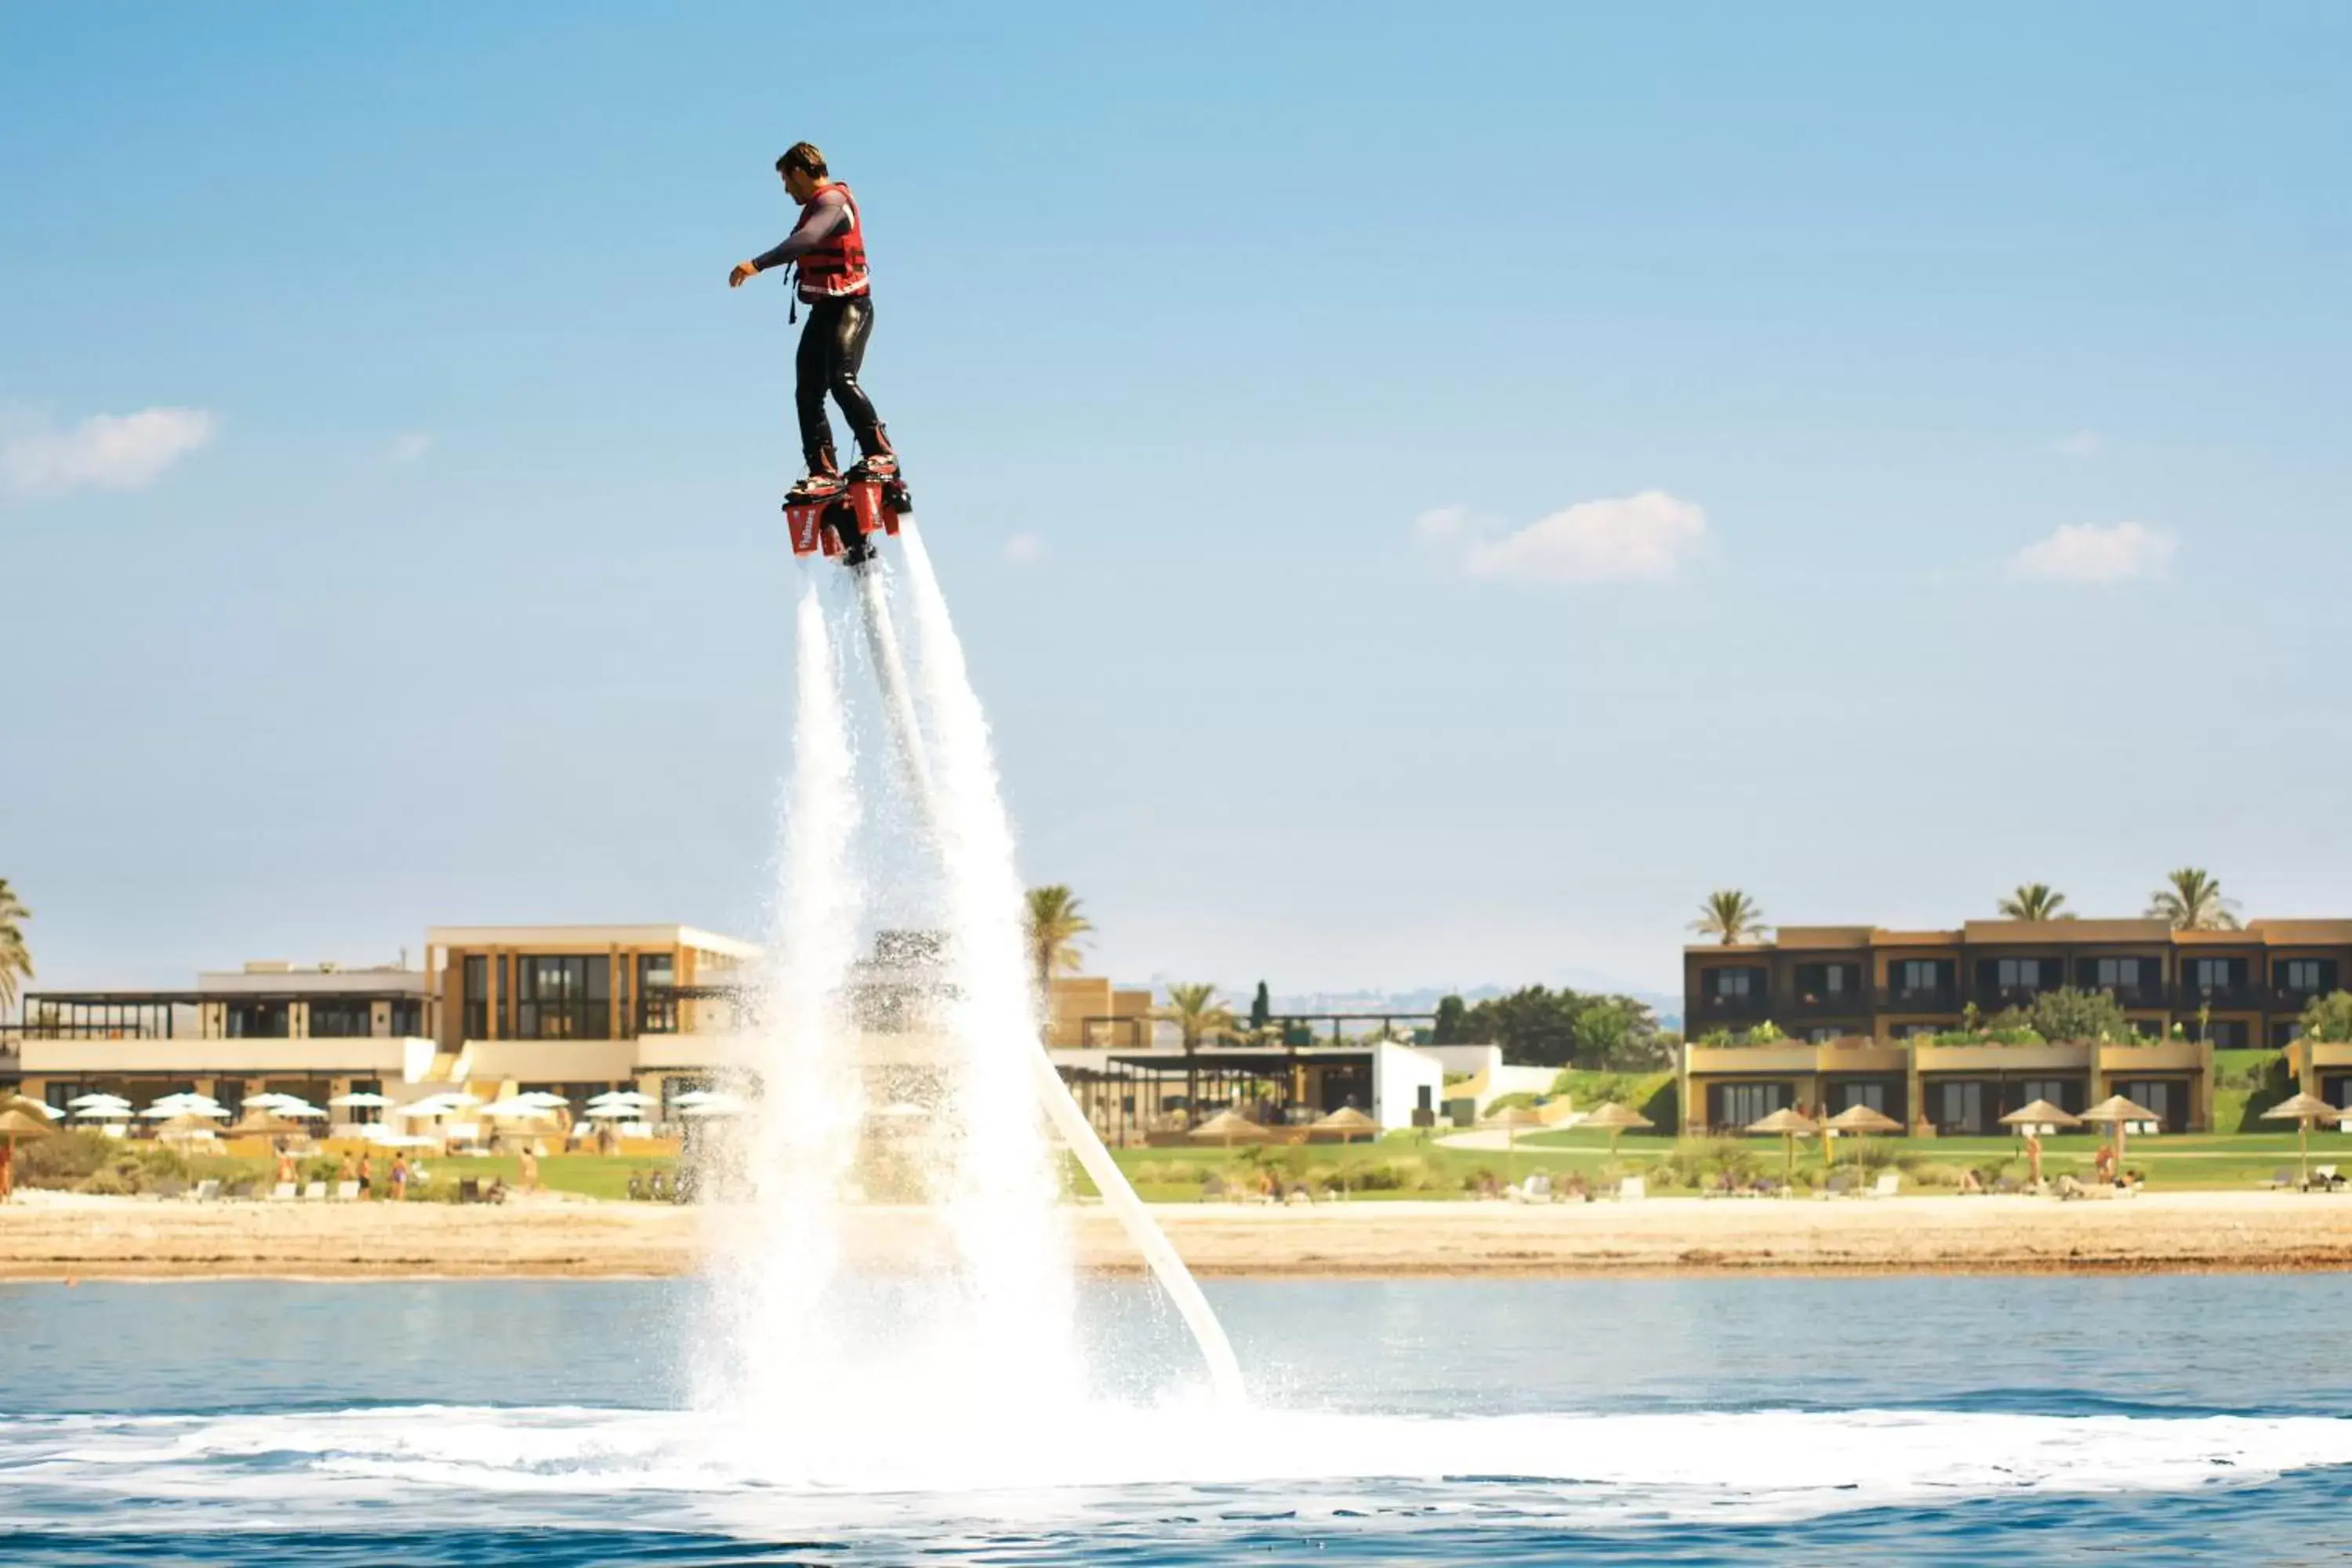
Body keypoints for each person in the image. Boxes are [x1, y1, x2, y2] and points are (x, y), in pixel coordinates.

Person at [728, 141, 897, 503]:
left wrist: (755, 264)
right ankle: (824, 473)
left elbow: (808, 239)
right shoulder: (817, 206)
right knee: (807, 392)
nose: (787, 189)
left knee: (841, 379)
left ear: (800, 173)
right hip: (823, 310)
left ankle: (880, 454)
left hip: (851, 307)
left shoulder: (833, 203)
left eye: (787, 181)